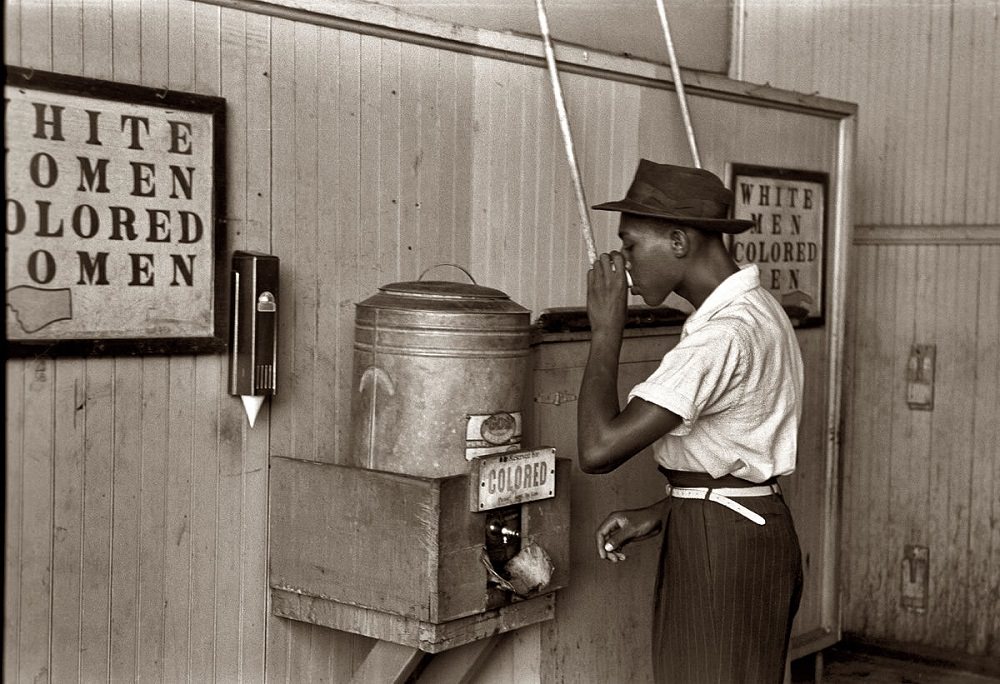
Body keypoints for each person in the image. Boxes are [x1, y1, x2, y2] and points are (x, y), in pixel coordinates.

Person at [578, 159, 804, 683]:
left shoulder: (722, 334)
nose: (624, 263)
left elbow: (597, 449)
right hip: (741, 526)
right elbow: (738, 452)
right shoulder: (758, 309)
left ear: (678, 241)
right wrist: (667, 508)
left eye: (630, 245)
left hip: (722, 544)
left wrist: (606, 330)